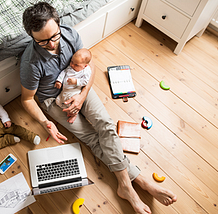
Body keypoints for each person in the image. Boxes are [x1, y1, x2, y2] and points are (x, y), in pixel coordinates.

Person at [20, 2, 177, 214]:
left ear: (58, 25)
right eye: (42, 41)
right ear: (32, 37)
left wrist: (82, 96)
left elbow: (90, 64)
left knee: (106, 125)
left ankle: (128, 185)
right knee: (92, 137)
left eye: (54, 36)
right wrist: (46, 122)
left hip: (78, 85)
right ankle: (136, 182)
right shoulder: (30, 63)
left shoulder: (69, 34)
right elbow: (27, 99)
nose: (51, 44)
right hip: (54, 99)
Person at [54, 48, 92, 123]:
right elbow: (64, 72)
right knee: (58, 101)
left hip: (74, 91)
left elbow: (85, 82)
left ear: (85, 66)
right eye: (71, 62)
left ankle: (74, 114)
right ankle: (68, 110)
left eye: (76, 65)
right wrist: (59, 81)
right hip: (64, 90)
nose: (72, 65)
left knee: (71, 104)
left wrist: (76, 81)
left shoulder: (86, 71)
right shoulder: (70, 67)